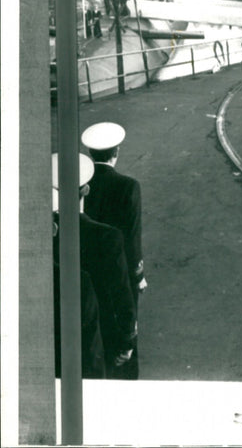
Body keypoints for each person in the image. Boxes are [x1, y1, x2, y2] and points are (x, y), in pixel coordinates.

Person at [52, 153, 137, 379]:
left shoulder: (48, 232)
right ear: (86, 190)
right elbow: (121, 292)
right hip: (102, 332)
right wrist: (127, 339)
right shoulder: (108, 236)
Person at [81, 122, 145, 379]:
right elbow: (132, 238)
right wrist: (138, 275)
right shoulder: (128, 186)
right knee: (124, 320)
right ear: (116, 152)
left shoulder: (83, 184)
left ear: (90, 153)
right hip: (119, 268)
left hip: (88, 268)